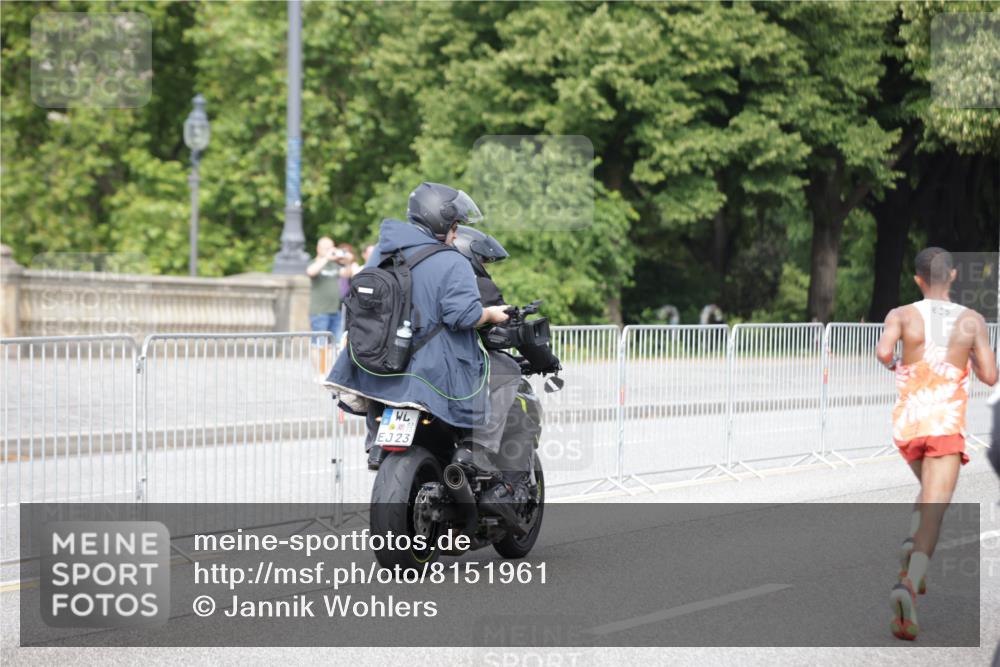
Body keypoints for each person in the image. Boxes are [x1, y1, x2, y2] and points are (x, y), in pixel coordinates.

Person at [323, 183, 521, 516]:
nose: (456, 233)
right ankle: (475, 450)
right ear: (441, 222)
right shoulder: (451, 261)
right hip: (433, 372)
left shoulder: (382, 253)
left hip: (377, 367)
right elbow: (464, 315)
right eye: (455, 225)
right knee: (506, 372)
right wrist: (492, 314)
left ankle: (378, 445)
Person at [875, 246, 998, 641]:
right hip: (945, 425)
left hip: (909, 425)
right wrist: (969, 362)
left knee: (927, 492)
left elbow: (882, 352)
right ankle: (908, 585)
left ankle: (912, 545)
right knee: (935, 510)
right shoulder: (971, 321)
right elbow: (992, 376)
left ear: (918, 279)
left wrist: (899, 365)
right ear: (954, 277)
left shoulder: (901, 314)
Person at [306, 237, 354, 373]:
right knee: (319, 344)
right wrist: (327, 258)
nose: (331, 250)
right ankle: (320, 373)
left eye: (332, 247)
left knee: (332, 344)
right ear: (318, 248)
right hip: (319, 310)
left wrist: (348, 262)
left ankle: (327, 371)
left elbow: (346, 274)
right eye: (327, 248)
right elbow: (310, 272)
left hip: (335, 310)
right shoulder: (315, 263)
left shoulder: (334, 265)